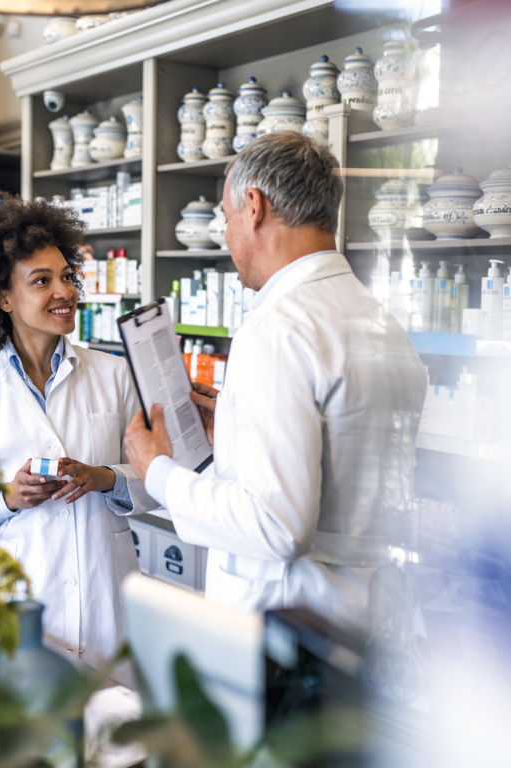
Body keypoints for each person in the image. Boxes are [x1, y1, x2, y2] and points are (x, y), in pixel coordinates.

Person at [124, 132, 427, 635]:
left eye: (225, 218)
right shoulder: (378, 321)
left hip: (288, 629)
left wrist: (157, 472)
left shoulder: (280, 327)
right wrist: (239, 435)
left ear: (254, 206)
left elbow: (277, 524)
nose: (226, 234)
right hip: (363, 617)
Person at [0, 190, 155, 668]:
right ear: (4, 297)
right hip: (18, 602)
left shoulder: (115, 375)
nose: (65, 292)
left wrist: (106, 477)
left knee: (107, 734)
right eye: (42, 281)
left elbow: (160, 478)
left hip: (104, 599)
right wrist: (6, 498)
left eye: (67, 276)